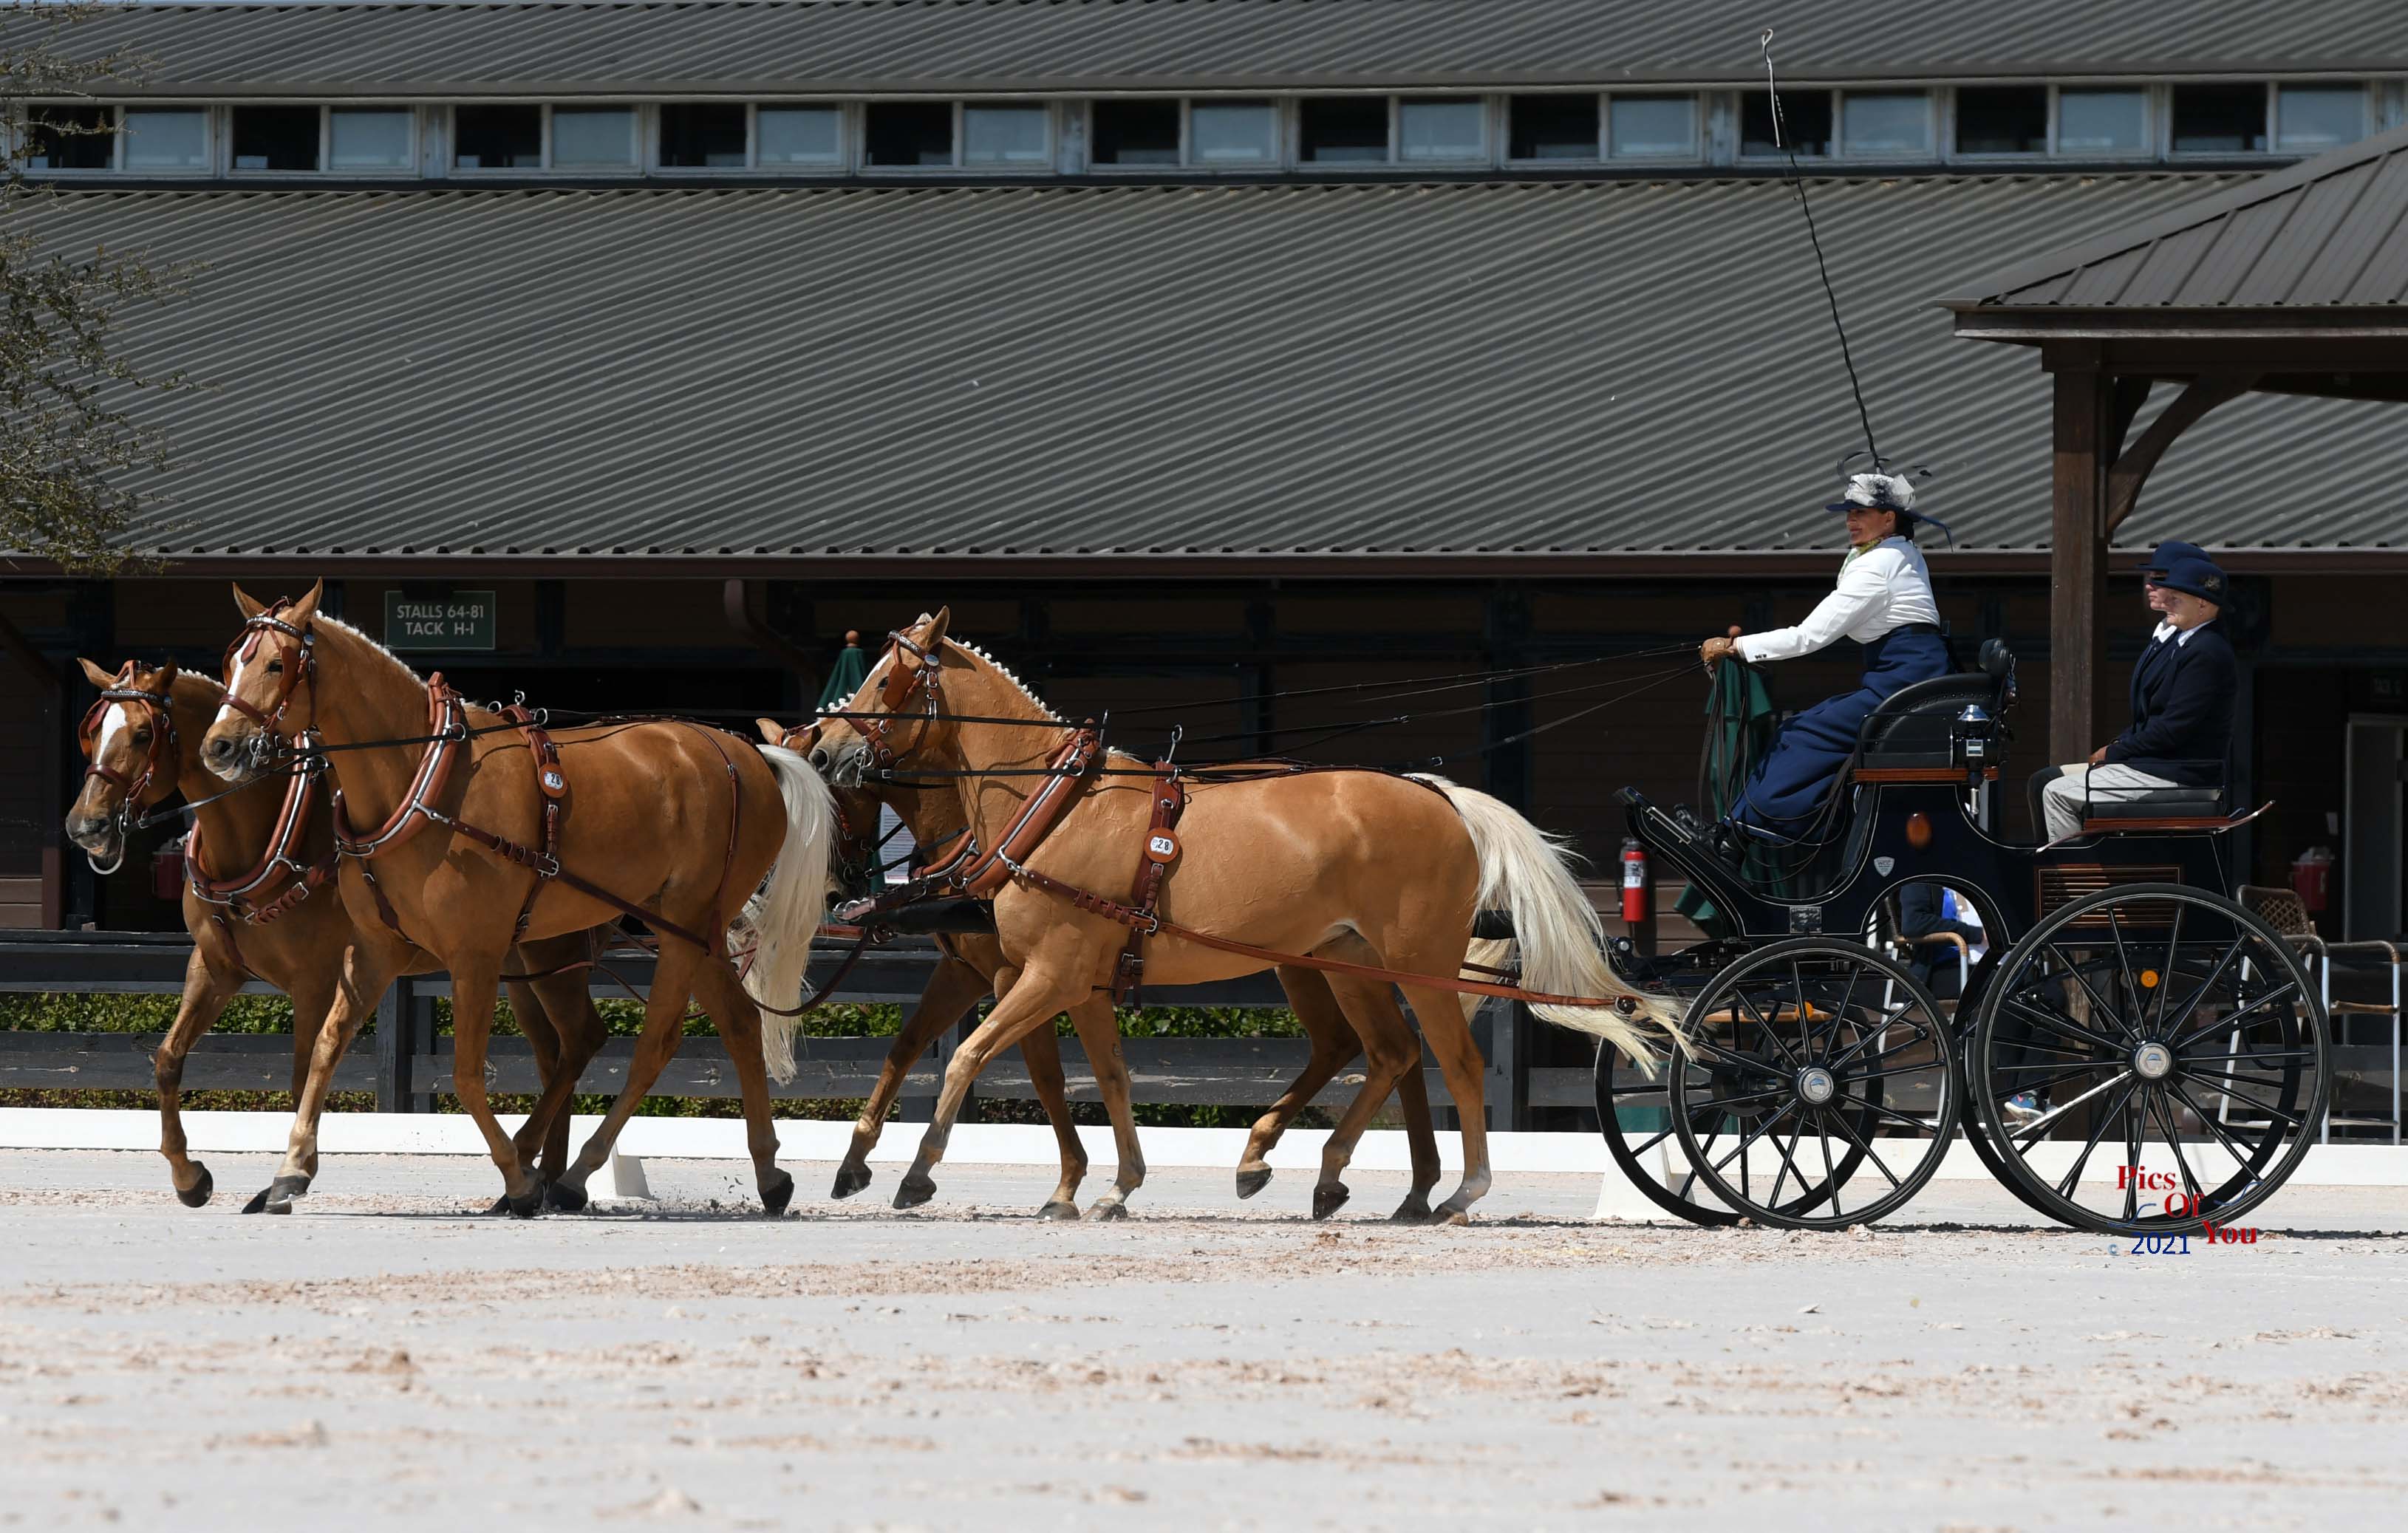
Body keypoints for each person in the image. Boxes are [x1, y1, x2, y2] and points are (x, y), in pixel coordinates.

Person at [1699, 470, 1953, 845]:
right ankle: (1743, 828)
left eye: (1861, 512)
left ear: (1888, 518)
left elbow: (1809, 637)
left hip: (1903, 684)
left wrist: (1736, 647)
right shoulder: (1901, 552)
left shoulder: (1878, 565)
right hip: (1905, 679)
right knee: (1806, 726)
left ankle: (1752, 831)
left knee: (1801, 733)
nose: (1851, 520)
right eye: (1849, 512)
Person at [2033, 548, 2236, 841]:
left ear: (2202, 604)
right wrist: (2119, 747)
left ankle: (2072, 884)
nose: (2166, 601)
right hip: (2164, 765)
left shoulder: (2206, 652)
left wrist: (2114, 752)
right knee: (2047, 782)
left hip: (2177, 773)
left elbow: (2173, 729)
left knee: (2056, 793)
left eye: (2176, 598)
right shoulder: (2191, 644)